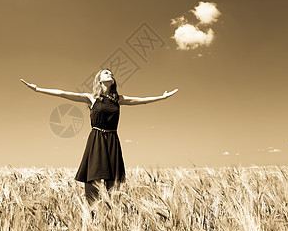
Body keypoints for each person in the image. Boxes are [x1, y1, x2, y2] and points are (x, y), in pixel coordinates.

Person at [20, 68, 178, 205]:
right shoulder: (91, 98)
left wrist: (162, 97)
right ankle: (92, 212)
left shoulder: (118, 99)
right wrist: (37, 89)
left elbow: (141, 101)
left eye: (112, 73)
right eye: (106, 73)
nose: (110, 74)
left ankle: (112, 212)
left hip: (113, 139)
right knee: (93, 175)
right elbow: (63, 94)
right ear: (99, 79)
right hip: (96, 138)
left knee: (113, 180)